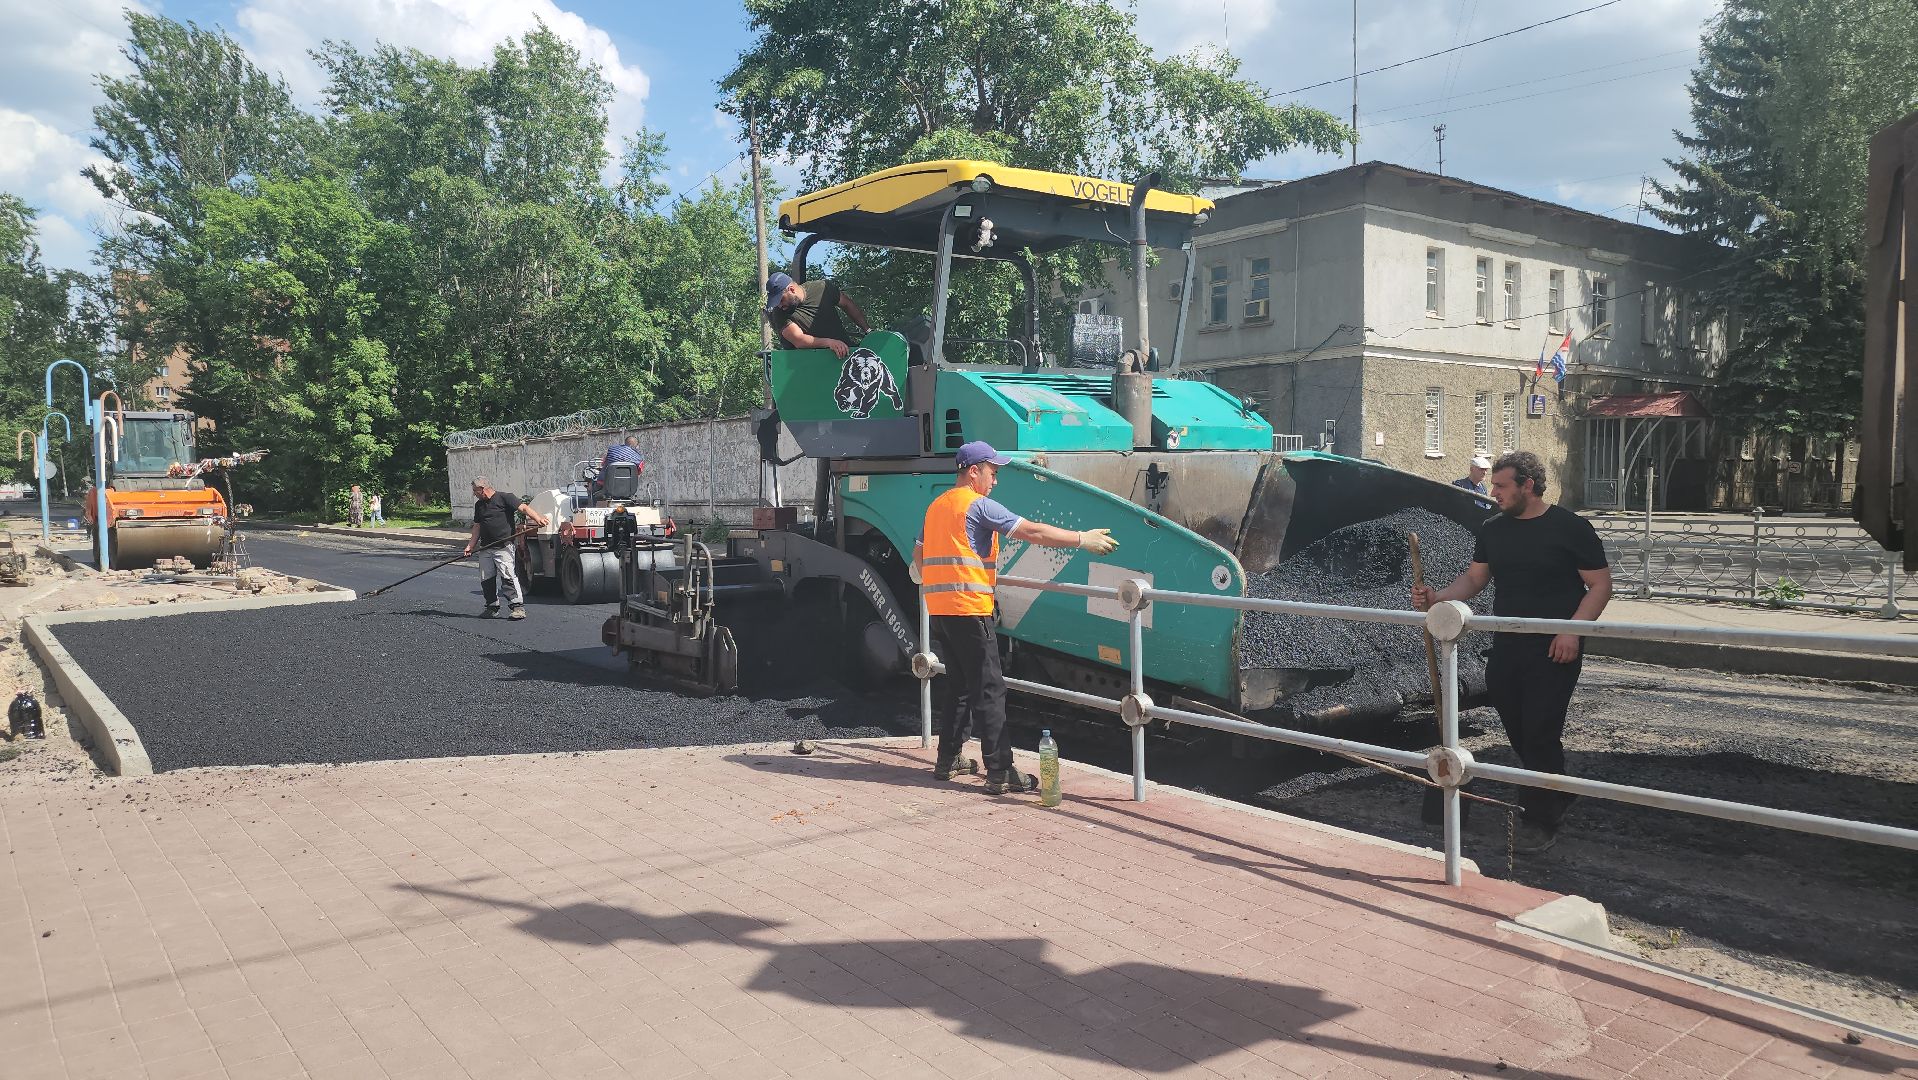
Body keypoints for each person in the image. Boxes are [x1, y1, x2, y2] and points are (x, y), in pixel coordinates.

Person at [1413, 451, 1612, 854]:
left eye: (1501, 485)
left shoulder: (1571, 527)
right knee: (1519, 729)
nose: (1493, 492)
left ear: (1528, 485)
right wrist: (1438, 598)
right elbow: (1474, 579)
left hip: (1555, 648)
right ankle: (1557, 789)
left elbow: (1601, 586)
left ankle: (1540, 819)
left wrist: (1571, 631)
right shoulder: (1493, 529)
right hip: (1506, 646)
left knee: (1540, 731)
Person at [912, 441, 1121, 794]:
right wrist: (1081, 539)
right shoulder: (978, 506)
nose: (995, 481)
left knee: (959, 686)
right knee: (990, 689)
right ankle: (1000, 771)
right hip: (970, 608)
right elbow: (1032, 531)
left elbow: (919, 556)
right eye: (993, 473)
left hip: (942, 609)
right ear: (974, 471)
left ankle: (948, 759)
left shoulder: (936, 506)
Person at [464, 476, 549, 620]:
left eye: (475, 491)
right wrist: (470, 546)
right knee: (486, 579)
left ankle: (517, 607)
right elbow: (477, 526)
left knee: (508, 576)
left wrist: (538, 518)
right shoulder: (479, 505)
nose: (474, 494)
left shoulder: (505, 498)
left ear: (483, 489)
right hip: (485, 548)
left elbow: (524, 508)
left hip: (503, 547)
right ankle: (492, 607)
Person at [766, 271, 870, 358]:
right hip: (810, 364)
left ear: (792, 290)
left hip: (846, 353)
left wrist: (868, 331)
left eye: (781, 300)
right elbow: (799, 340)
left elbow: (847, 304)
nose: (779, 305)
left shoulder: (822, 288)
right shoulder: (779, 313)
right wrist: (830, 343)